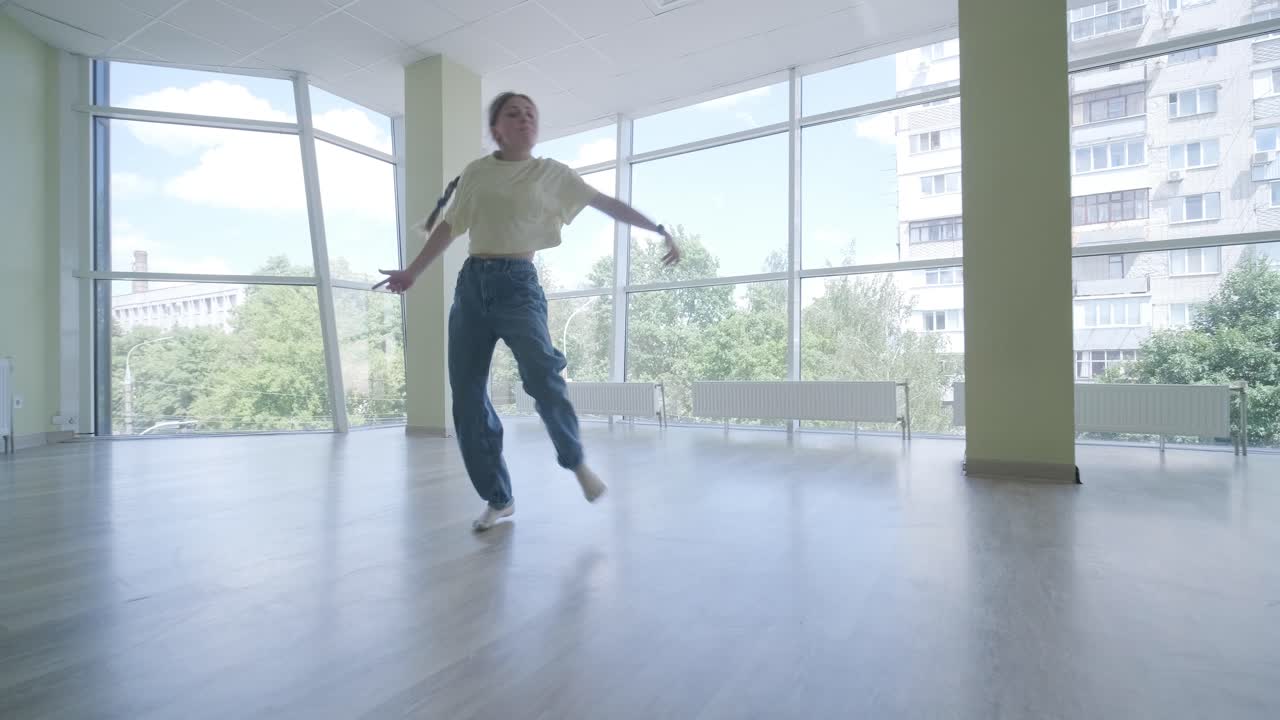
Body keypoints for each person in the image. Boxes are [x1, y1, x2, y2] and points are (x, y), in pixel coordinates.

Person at [375, 92, 681, 532]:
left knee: (542, 374)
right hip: (472, 287)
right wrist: (413, 272)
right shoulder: (478, 173)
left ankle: (575, 461)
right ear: (496, 129)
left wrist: (660, 229)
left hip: (518, 286)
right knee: (466, 398)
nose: (524, 120)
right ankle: (499, 498)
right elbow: (449, 226)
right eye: (513, 114)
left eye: (530, 114)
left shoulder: (551, 173)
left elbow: (607, 204)